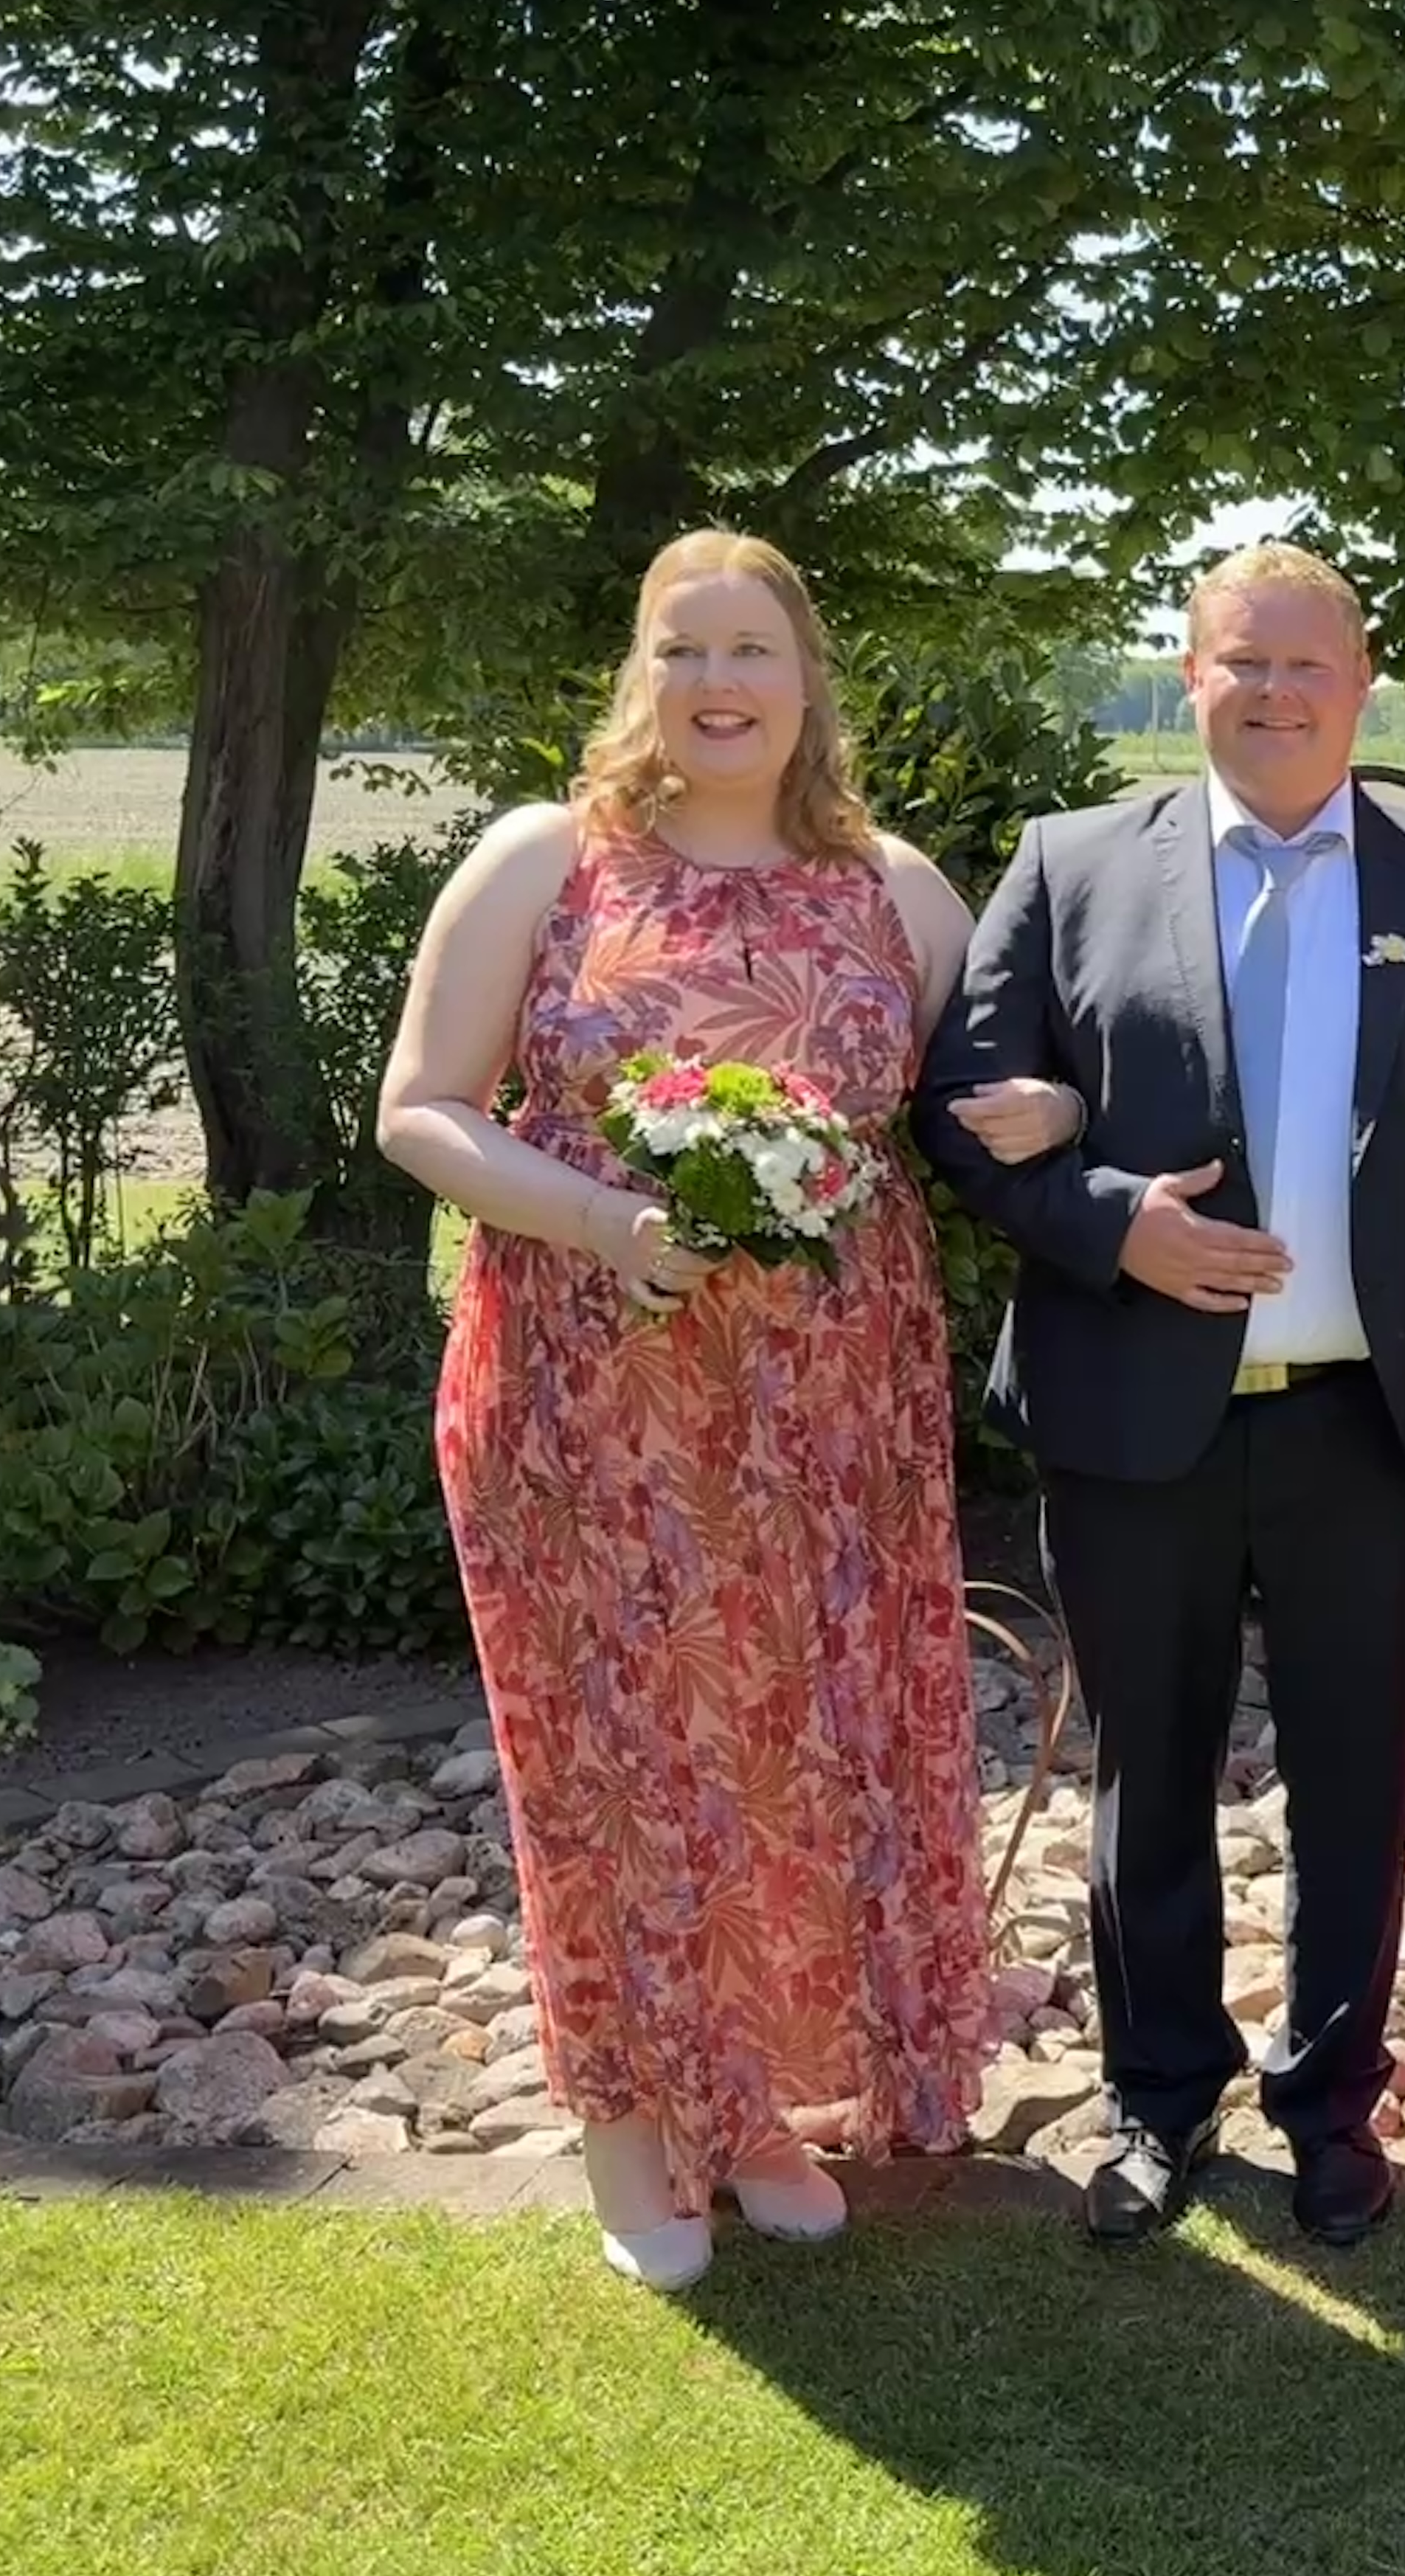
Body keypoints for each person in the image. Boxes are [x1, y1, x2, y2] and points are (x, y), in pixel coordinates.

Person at [914, 540, 1405, 2251]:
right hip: (1136, 1416)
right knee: (1150, 1774)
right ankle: (1158, 2099)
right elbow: (963, 1104)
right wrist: (1109, 1223)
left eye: (1308, 665)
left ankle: (1331, 2106)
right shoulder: (1072, 866)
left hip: (1378, 1425)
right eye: (1242, 661)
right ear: (1191, 673)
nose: (1275, 693)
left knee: (1358, 1783)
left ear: (1362, 687)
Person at [378, 530, 996, 2292]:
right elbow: (421, 1109)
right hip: (587, 1401)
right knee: (615, 1757)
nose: (719, 683)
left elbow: (992, 1106)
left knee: (791, 1754)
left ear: (807, 682)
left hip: (829, 1418)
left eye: (751, 650)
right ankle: (630, 2121)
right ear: (640, 677)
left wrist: (1061, 1124)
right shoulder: (547, 862)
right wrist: (603, 1221)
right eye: (683, 649)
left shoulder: (896, 891)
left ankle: (750, 2106)